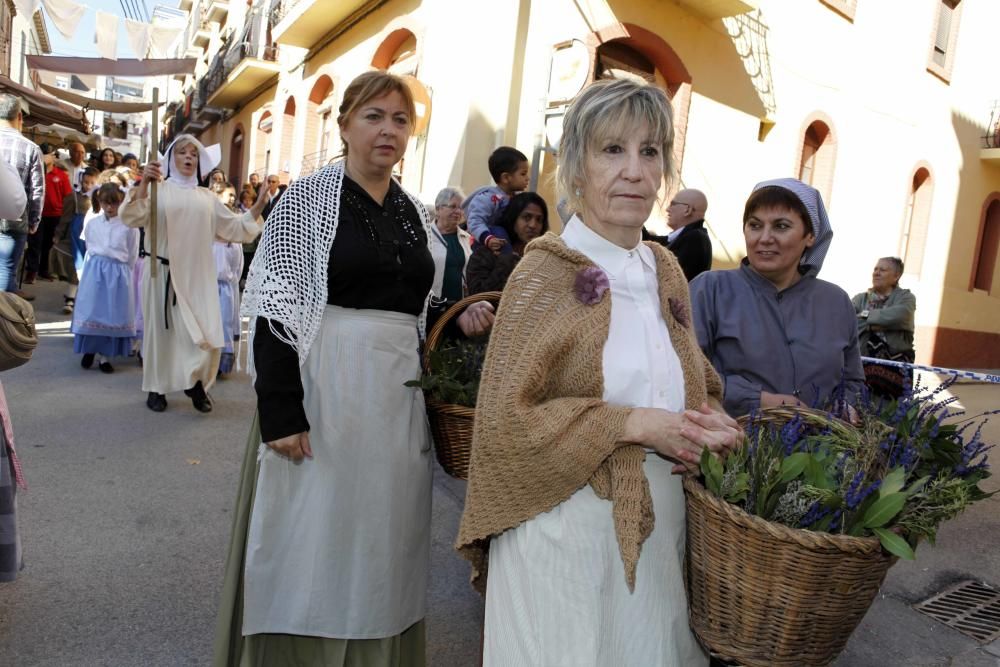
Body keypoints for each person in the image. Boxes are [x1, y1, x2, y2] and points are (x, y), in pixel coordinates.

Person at [213, 70, 495, 667]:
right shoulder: (306, 201)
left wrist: (459, 317)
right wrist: (282, 413)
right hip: (324, 390)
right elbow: (275, 308)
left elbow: (412, 304)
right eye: (373, 116)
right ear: (344, 125)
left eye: (399, 120)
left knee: (383, 538)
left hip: (395, 400)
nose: (387, 131)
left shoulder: (415, 212)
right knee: (316, 534)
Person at [456, 77, 740, 667]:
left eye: (650, 151)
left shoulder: (665, 268)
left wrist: (711, 421)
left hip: (658, 538)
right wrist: (634, 423)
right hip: (562, 538)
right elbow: (508, 423)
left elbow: (693, 382)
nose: (634, 171)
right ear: (576, 168)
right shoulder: (542, 275)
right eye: (613, 150)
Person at [689, 178, 865, 417]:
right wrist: (759, 400)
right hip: (730, 446)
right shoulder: (710, 290)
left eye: (781, 226)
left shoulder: (836, 302)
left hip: (819, 451)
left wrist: (848, 408)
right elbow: (684, 372)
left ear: (810, 235)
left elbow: (853, 382)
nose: (764, 238)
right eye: (755, 225)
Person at [120, 134, 268, 413]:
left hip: (197, 275)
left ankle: (195, 383)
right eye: (182, 153)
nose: (189, 157)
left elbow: (235, 229)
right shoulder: (157, 190)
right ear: (170, 160)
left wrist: (259, 204)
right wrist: (143, 186)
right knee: (160, 334)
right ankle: (156, 387)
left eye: (194, 154)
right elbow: (132, 217)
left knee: (202, 331)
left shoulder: (207, 198)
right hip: (160, 272)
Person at [71, 183, 139, 374]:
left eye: (114, 203)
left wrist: (125, 273)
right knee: (93, 310)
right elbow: (89, 247)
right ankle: (90, 349)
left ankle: (105, 356)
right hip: (96, 271)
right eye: (106, 203)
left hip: (118, 273)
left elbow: (132, 253)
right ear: (99, 202)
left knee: (112, 314)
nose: (110, 208)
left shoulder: (129, 226)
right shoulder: (93, 223)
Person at [0, 94, 43, 301]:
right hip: (15, 219)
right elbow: (37, 190)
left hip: (14, 221)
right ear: (19, 116)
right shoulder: (30, 148)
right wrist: (34, 221)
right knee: (6, 271)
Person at [853, 256, 916, 398]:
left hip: (896, 373)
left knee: (890, 415)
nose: (876, 273)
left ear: (896, 276)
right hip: (861, 367)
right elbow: (849, 322)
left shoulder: (906, 297)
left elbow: (901, 316)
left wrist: (865, 317)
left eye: (882, 270)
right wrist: (882, 322)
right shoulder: (860, 299)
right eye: (875, 269)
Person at [464, 191, 548, 295]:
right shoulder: (485, 255)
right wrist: (507, 260)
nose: (533, 225)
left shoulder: (544, 259)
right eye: (527, 217)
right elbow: (479, 297)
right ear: (513, 218)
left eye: (539, 220)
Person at [462, 146, 530, 254]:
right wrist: (487, 238)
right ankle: (509, 261)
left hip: (507, 241)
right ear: (506, 178)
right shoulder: (489, 198)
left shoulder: (518, 198)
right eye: (523, 174)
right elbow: (474, 221)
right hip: (487, 243)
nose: (528, 178)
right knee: (498, 230)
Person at [51, 167, 99, 314]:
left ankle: (85, 298)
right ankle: (70, 298)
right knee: (77, 266)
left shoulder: (100, 197)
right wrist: (58, 234)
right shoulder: (74, 197)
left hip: (95, 236)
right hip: (77, 236)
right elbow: (65, 218)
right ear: (81, 180)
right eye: (86, 182)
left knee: (91, 268)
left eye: (92, 182)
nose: (88, 186)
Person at [645, 188, 712, 281]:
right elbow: (653, 241)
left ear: (687, 210)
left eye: (673, 204)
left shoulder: (695, 239)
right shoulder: (689, 235)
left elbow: (668, 274)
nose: (667, 209)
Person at [31, 144, 72, 282]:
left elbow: (67, 197)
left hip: (55, 215)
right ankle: (31, 271)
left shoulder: (61, 175)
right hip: (37, 213)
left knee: (48, 244)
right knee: (35, 243)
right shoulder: (35, 172)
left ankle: (44, 270)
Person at [429, 186, 473, 307]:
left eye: (461, 208)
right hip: (433, 305)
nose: (458, 212)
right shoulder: (425, 237)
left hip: (459, 305)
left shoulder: (466, 238)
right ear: (438, 209)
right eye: (453, 206)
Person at [213, 239, 243, 376]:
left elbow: (238, 267)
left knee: (224, 322)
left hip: (226, 287)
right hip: (210, 286)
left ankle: (223, 358)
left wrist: (231, 281)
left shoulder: (235, 243)